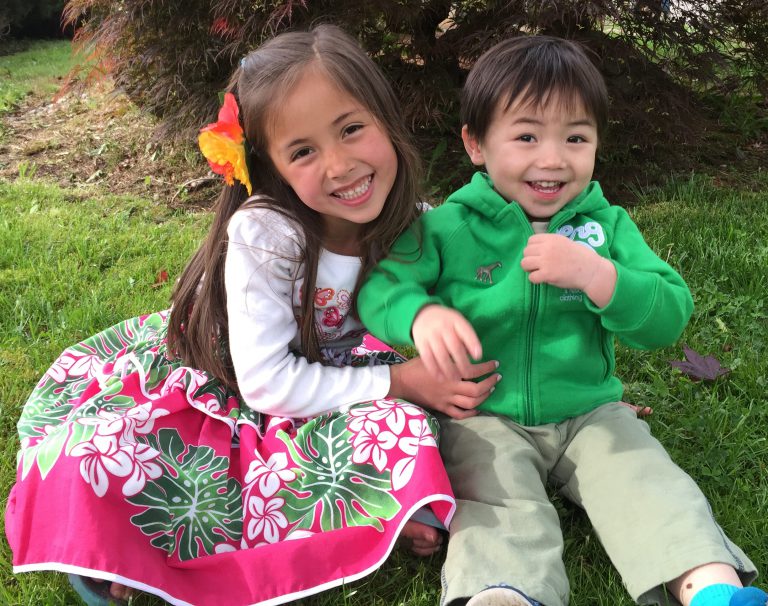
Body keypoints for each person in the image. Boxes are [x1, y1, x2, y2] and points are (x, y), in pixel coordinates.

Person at [5, 24, 500, 606]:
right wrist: (402, 381)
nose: (341, 165)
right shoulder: (267, 234)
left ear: (386, 119)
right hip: (234, 388)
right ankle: (130, 538)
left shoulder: (419, 222)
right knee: (102, 453)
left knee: (418, 427)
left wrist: (581, 390)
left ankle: (387, 504)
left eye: (351, 129)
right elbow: (267, 383)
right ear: (269, 168)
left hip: (338, 391)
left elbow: (486, 310)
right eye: (304, 151)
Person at [358, 36, 767, 606]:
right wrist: (420, 315)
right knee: (496, 503)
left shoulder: (609, 228)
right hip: (484, 415)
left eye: (576, 138)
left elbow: (668, 314)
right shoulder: (447, 226)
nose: (552, 159)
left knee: (645, 480)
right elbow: (381, 288)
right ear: (476, 144)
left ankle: (709, 587)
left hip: (591, 411)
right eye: (526, 136)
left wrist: (602, 278)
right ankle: (504, 593)